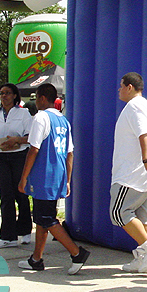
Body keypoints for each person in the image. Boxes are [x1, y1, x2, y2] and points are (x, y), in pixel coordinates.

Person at [18, 83, 90, 274]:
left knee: (46, 218)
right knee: (42, 217)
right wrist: (67, 180)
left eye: (36, 98)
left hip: (44, 175)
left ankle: (77, 253)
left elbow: (34, 149)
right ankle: (36, 259)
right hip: (58, 174)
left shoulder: (41, 117)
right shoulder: (63, 121)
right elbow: (70, 153)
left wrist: (24, 178)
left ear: (42, 98)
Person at [110, 72, 147, 273]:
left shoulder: (135, 106)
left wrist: (146, 160)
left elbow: (145, 134)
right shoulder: (142, 106)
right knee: (143, 214)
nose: (119, 89)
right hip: (145, 172)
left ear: (130, 87)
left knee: (119, 212)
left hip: (134, 173)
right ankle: (145, 260)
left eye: (121, 86)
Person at [0, 83, 33, 249]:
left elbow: (31, 136)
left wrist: (17, 140)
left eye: (8, 93)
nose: (4, 96)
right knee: (6, 196)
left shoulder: (23, 113)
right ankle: (8, 237)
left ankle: (25, 230)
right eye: (1, 93)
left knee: (21, 194)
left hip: (19, 157)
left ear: (15, 95)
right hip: (1, 158)